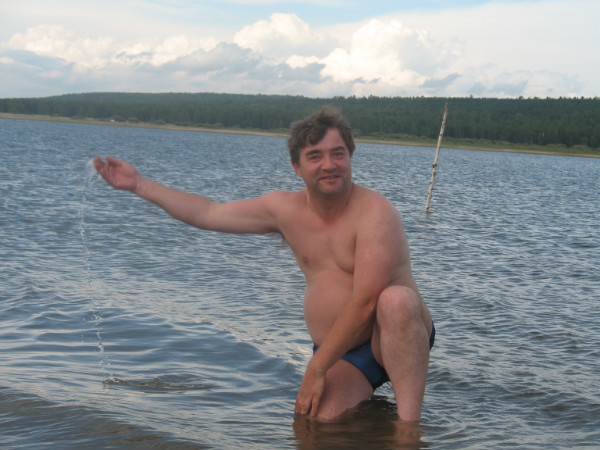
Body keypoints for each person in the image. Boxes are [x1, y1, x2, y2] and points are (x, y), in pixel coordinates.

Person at [94, 106, 434, 422]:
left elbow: (366, 302)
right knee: (315, 425)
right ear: (297, 167)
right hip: (340, 349)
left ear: (350, 157)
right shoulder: (284, 210)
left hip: (390, 334)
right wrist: (140, 184)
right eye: (315, 156)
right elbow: (209, 213)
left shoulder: (375, 213)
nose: (329, 164)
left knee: (396, 300)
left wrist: (315, 369)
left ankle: (409, 428)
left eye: (338, 153)